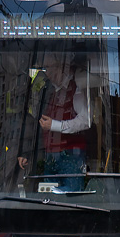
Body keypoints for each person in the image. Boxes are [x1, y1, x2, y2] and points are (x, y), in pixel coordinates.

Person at [35, 53, 93, 190]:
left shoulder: (76, 88)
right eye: (45, 68)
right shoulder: (50, 92)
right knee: (47, 197)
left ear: (61, 66)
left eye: (50, 67)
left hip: (70, 155)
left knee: (71, 197)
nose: (47, 72)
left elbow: (86, 120)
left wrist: (55, 125)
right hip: (50, 155)